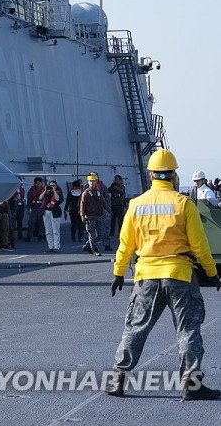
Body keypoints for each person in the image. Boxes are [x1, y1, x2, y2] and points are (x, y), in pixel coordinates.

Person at [105, 149, 221, 400]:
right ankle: (192, 386)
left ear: (150, 175)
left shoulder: (135, 205)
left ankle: (117, 380)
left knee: (136, 328)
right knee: (188, 330)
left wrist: (118, 273)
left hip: (146, 276)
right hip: (179, 274)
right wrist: (212, 274)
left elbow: (125, 244)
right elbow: (200, 245)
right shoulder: (184, 204)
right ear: (173, 176)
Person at [80, 172, 110, 255]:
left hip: (99, 216)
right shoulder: (85, 193)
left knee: (99, 234)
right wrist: (82, 216)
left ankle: (88, 245)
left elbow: (103, 202)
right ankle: (94, 249)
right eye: (90, 181)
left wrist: (109, 211)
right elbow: (82, 204)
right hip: (90, 217)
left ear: (96, 181)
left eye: (93, 181)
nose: (91, 183)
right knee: (91, 233)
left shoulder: (98, 192)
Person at [40, 180, 63, 252]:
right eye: (51, 185)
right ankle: (50, 246)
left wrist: (54, 190)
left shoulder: (59, 192)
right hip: (46, 212)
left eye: (53, 185)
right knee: (48, 230)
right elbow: (40, 198)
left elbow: (57, 199)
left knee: (55, 230)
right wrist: (45, 190)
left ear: (56, 186)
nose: (52, 187)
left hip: (55, 213)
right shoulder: (47, 193)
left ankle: (56, 246)